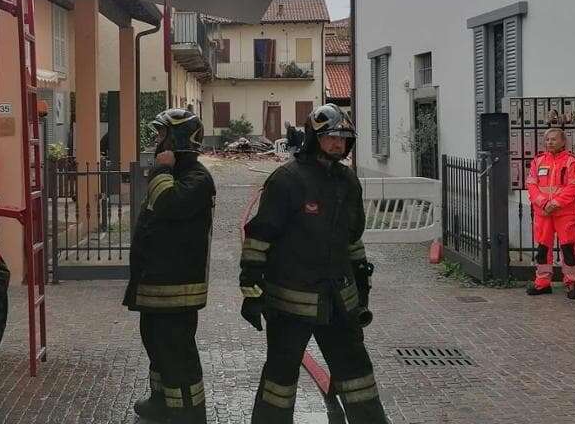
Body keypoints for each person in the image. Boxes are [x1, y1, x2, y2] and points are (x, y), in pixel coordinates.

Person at [239, 104, 390, 423]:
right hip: (290, 303)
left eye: (343, 139)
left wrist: (361, 281)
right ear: (313, 138)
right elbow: (259, 236)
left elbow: (352, 237)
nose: (338, 144)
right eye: (331, 137)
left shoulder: (348, 181)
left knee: (356, 372)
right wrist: (251, 290)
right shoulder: (287, 180)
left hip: (338, 301)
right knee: (280, 376)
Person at [124, 109, 216, 423]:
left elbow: (168, 205)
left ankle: (189, 413)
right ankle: (161, 402)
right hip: (156, 283)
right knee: (157, 347)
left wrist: (161, 172)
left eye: (161, 134)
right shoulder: (177, 173)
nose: (155, 140)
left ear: (176, 139)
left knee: (178, 355)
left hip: (177, 288)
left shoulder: (197, 178)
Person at [525, 128, 575, 299]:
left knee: (568, 248)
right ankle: (542, 282)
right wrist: (543, 202)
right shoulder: (538, 161)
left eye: (553, 139)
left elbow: (573, 187)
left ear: (563, 141)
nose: (549, 142)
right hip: (543, 212)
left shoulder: (572, 162)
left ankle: (572, 282)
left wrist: (556, 203)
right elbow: (531, 184)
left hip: (565, 212)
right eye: (547, 140)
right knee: (543, 248)